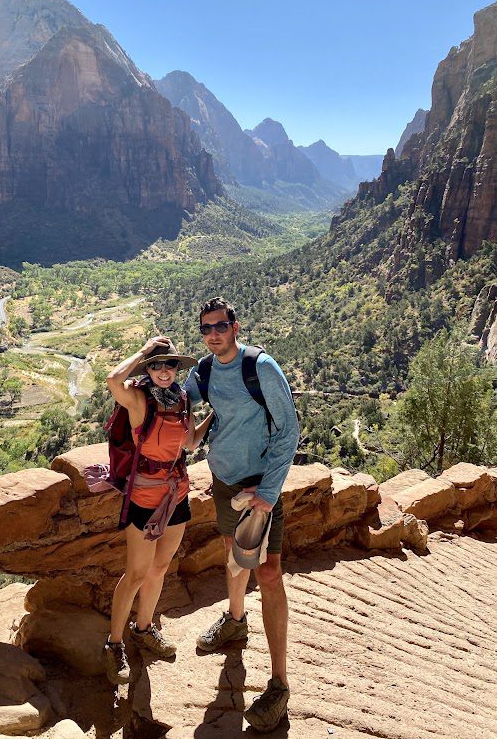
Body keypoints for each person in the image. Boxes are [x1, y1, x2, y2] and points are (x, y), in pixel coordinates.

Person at [184, 297, 300, 732]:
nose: (213, 333)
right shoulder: (207, 369)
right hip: (224, 481)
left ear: (235, 326)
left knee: (268, 574)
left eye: (220, 325)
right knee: (234, 553)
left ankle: (279, 685)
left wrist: (269, 491)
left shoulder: (261, 368)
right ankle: (235, 622)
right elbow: (180, 395)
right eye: (206, 328)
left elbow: (289, 429)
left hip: (258, 485)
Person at [102, 335, 213, 686]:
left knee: (161, 566)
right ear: (148, 368)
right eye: (156, 365)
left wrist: (215, 416)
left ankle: (144, 627)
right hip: (145, 495)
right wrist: (144, 350)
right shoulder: (138, 399)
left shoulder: (182, 400)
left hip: (176, 491)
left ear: (177, 369)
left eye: (169, 364)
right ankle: (114, 643)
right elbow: (112, 381)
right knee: (136, 572)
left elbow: (190, 442)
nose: (164, 370)